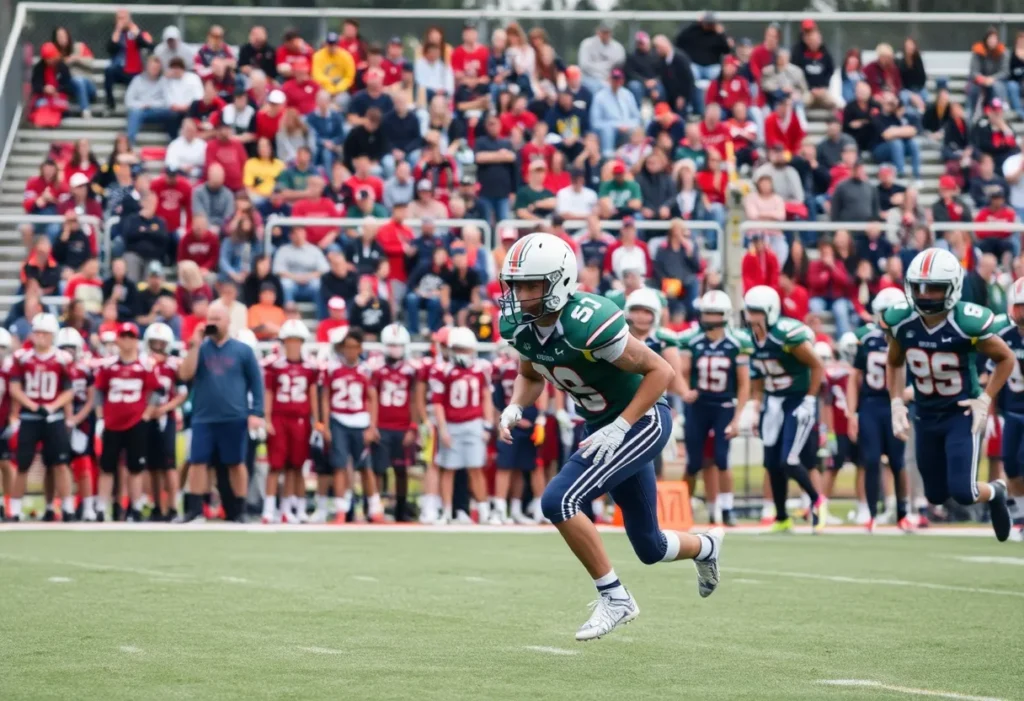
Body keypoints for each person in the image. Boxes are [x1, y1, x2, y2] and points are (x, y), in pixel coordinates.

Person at [497, 232, 723, 641]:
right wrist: (516, 405)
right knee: (649, 546)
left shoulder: (588, 321)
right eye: (515, 285)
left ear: (559, 282)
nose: (520, 295)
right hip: (601, 426)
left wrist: (621, 426)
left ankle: (615, 598)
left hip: (641, 419)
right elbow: (530, 374)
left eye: (531, 284)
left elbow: (662, 373)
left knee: (559, 500)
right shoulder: (520, 327)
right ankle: (705, 546)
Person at [881, 248, 1014, 542]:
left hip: (960, 413)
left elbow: (1006, 358)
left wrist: (985, 397)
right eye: (920, 288)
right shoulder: (901, 320)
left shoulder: (965, 322)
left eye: (935, 288)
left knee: (963, 492)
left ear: (953, 287)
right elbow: (894, 361)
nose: (926, 295)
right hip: (925, 414)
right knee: (935, 494)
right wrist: (895, 403)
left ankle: (996, 491)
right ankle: (991, 491)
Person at [742, 285, 825, 532]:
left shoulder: (786, 335)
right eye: (749, 311)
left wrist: (810, 398)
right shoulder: (751, 339)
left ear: (770, 311)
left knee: (789, 459)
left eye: (756, 312)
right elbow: (757, 377)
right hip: (773, 401)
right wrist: (756, 406)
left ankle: (817, 500)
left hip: (797, 400)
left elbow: (818, 365)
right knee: (771, 462)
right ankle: (782, 517)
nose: (751, 317)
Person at [177, 305, 266, 523]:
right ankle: (194, 509)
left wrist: (256, 412)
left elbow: (257, 383)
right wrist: (195, 344)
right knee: (198, 462)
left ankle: (240, 509)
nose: (214, 322)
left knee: (236, 463)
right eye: (211, 318)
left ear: (228, 322)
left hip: (234, 416)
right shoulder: (201, 348)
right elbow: (185, 374)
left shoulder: (242, 350)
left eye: (218, 318)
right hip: (204, 416)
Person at [678, 290, 752, 526]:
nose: (709, 318)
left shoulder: (736, 343)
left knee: (721, 458)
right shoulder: (693, 341)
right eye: (706, 313)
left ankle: (727, 508)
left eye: (714, 313)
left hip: (723, 406)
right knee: (693, 462)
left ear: (725, 315)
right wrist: (684, 392)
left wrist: (737, 418)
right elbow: (682, 372)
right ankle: (682, 508)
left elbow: (744, 384)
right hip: (698, 406)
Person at [843, 287, 912, 532]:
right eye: (886, 313)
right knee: (871, 460)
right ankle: (871, 514)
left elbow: (916, 377)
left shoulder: (910, 336)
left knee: (897, 461)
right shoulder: (866, 337)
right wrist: (852, 413)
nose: (890, 318)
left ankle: (903, 512)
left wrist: (907, 397)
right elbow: (855, 376)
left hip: (896, 403)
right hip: (872, 404)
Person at [7, 313, 75, 522]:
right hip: (30, 416)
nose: (41, 337)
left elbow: (69, 391)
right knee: (23, 463)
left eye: (45, 333)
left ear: (53, 335)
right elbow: (15, 388)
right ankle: (15, 510)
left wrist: (52, 406)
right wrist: (34, 406)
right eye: (37, 332)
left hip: (53, 418)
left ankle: (67, 508)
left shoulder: (63, 358)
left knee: (60, 464)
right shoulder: (22, 357)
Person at [92, 321, 160, 522]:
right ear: (118, 339)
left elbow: (155, 390)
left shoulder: (145, 365)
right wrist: (100, 416)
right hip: (112, 422)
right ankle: (102, 507)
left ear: (137, 340)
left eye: (131, 336)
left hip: (135, 422)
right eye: (124, 336)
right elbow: (98, 390)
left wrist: (147, 413)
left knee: (136, 467)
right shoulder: (108, 365)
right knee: (107, 467)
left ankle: (136, 506)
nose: (127, 341)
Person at [317, 327, 385, 523]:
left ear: (360, 348)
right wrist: (326, 424)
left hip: (360, 421)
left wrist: (372, 426)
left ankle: (374, 509)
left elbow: (373, 399)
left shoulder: (366, 370)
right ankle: (340, 510)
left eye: (354, 347)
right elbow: (326, 397)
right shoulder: (332, 369)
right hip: (339, 419)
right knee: (339, 466)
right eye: (347, 347)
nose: (350, 351)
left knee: (366, 467)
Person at [262, 320, 321, 524]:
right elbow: (268, 393)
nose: (293, 344)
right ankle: (269, 509)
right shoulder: (274, 365)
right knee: (276, 465)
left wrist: (317, 420)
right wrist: (267, 418)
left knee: (296, 465)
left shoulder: (310, 366)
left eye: (297, 341)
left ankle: (291, 508)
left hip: (300, 419)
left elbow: (313, 395)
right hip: (279, 417)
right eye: (290, 340)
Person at [366, 323, 419, 523]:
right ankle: (374, 508)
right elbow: (371, 398)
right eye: (391, 345)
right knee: (378, 470)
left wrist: (413, 426)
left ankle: (401, 509)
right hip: (382, 426)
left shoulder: (411, 369)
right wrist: (372, 425)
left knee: (401, 470)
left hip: (402, 426)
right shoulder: (376, 368)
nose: (394, 349)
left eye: (398, 345)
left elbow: (415, 399)